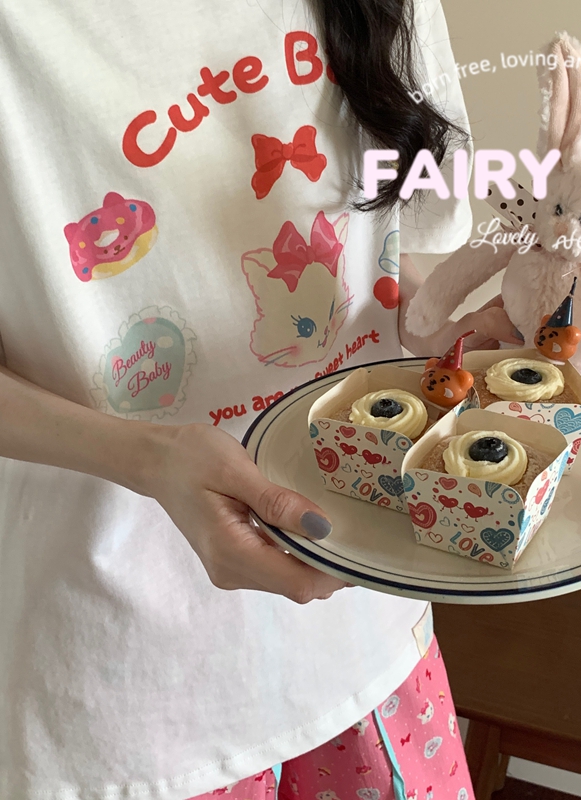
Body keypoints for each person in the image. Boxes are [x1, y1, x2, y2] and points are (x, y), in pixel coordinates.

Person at [0, 0, 521, 797]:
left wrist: (445, 335)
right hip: (127, 691)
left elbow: (382, 252)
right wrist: (151, 455)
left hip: (369, 632)